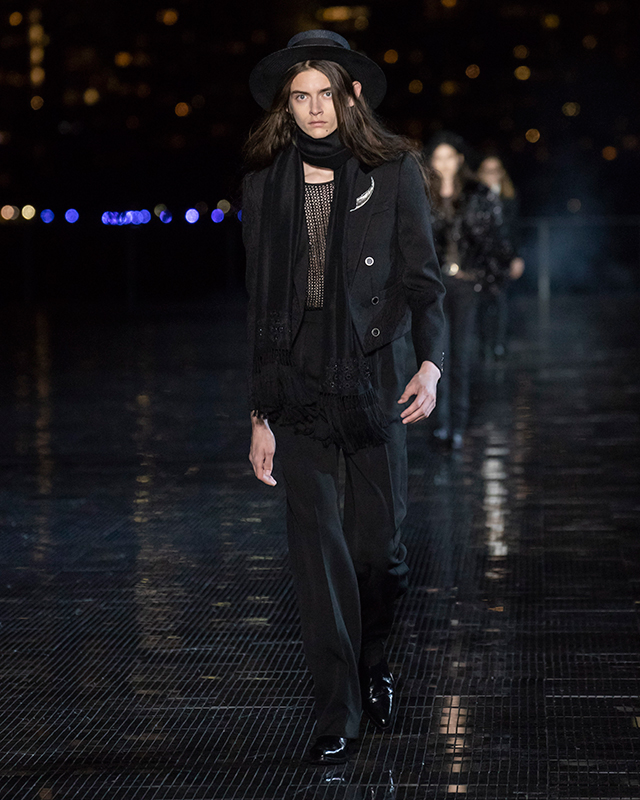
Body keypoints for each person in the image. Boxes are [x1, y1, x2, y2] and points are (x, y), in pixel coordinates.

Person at [242, 30, 445, 765]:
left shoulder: (392, 171)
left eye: (326, 93)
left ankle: (373, 657)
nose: (315, 108)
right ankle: (338, 712)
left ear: (351, 96)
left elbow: (423, 281)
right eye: (300, 96)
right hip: (295, 384)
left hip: (373, 379)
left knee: (377, 553)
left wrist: (431, 365)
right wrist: (259, 414)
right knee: (317, 553)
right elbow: (259, 303)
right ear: (286, 105)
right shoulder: (264, 183)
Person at [425, 132, 514, 449]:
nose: (444, 164)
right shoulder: (423, 193)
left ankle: (457, 424)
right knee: (436, 356)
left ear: (460, 159)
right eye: (438, 157)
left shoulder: (477, 193)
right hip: (434, 285)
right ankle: (441, 423)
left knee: (460, 355)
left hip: (465, 284)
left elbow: (495, 238)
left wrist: (482, 274)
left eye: (449, 157)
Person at [476, 154, 525, 362]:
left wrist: (516, 257)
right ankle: (484, 345)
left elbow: (514, 231)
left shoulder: (508, 199)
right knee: (481, 303)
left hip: (503, 258)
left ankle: (499, 344)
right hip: (480, 259)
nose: (491, 175)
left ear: (501, 173)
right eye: (487, 170)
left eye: (495, 170)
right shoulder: (475, 198)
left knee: (502, 302)